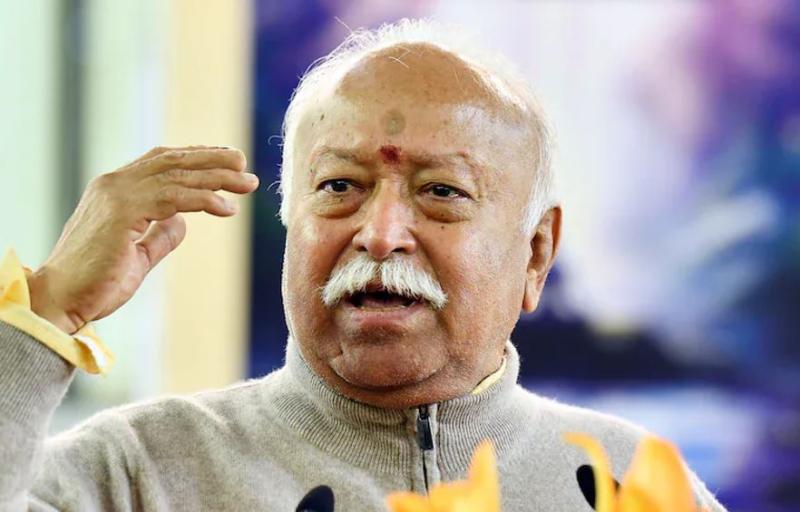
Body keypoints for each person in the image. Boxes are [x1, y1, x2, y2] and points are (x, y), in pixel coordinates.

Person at [0, 19, 725, 511]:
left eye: (442, 192)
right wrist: (49, 308)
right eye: (339, 186)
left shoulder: (628, 482)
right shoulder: (135, 474)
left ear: (536, 254)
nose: (379, 234)